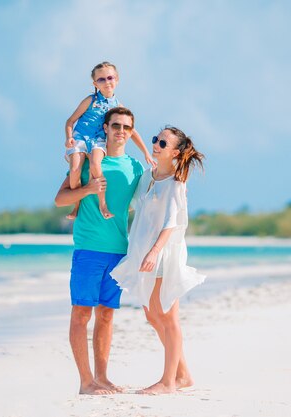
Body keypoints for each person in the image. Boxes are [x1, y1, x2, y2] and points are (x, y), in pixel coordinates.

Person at [55, 107, 145, 395]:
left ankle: (102, 378)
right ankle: (85, 382)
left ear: (132, 133)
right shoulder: (87, 162)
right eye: (116, 125)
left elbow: (151, 200)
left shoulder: (135, 168)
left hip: (119, 250)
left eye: (127, 127)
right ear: (105, 128)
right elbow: (60, 199)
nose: (121, 131)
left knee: (107, 315)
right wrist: (88, 189)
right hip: (88, 249)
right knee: (82, 313)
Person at [110, 126, 206, 395]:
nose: (156, 145)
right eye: (155, 140)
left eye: (162, 143)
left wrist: (154, 251)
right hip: (142, 252)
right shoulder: (146, 176)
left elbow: (171, 223)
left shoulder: (176, 183)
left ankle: (168, 382)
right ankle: (183, 374)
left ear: (175, 152)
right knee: (152, 315)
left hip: (163, 254)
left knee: (167, 316)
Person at [65, 61, 154, 220]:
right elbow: (70, 121)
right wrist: (69, 138)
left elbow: (132, 130)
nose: (107, 82)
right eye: (101, 79)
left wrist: (146, 152)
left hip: (98, 140)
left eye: (110, 78)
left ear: (117, 80)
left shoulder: (116, 106)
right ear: (95, 83)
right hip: (80, 138)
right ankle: (76, 205)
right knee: (74, 171)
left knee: (95, 166)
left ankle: (102, 204)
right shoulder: (90, 100)